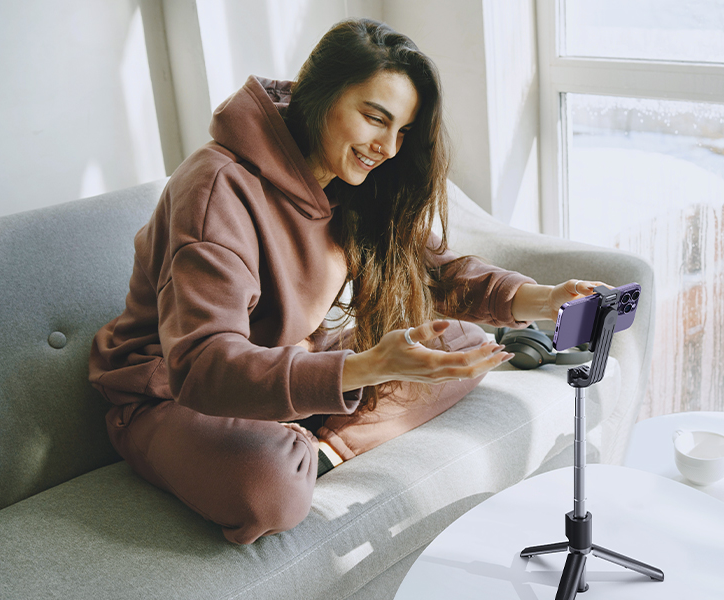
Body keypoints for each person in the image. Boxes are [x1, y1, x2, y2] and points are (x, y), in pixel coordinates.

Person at [88, 18, 607, 544]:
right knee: (268, 487)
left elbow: (435, 271)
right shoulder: (216, 188)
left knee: (463, 344)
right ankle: (290, 446)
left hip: (289, 366)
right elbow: (203, 365)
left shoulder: (348, 179)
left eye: (402, 131)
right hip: (173, 395)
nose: (388, 147)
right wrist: (371, 366)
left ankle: (321, 450)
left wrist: (544, 300)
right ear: (319, 95)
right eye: (375, 118)